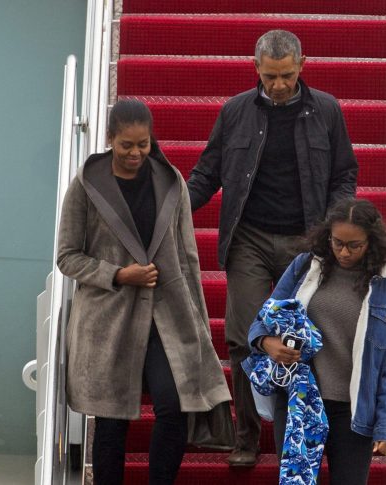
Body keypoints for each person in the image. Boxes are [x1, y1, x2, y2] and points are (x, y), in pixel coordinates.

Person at [186, 29, 358, 466]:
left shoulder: (328, 111)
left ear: (302, 65)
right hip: (250, 239)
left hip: (308, 240)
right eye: (270, 77)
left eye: (285, 75)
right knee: (246, 336)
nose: (278, 84)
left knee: (305, 340)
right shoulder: (234, 113)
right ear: (256, 68)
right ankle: (246, 436)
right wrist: (172, 207)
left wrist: (332, 227)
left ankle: (302, 433)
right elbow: (207, 175)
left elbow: (344, 175)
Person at [57, 99, 232, 484]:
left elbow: (187, 258)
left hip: (165, 314)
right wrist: (119, 274)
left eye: (143, 144)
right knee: (112, 419)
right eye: (126, 146)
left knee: (174, 406)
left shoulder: (171, 183)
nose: (136, 153)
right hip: (108, 318)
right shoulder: (86, 185)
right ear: (109, 140)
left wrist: (198, 320)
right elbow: (67, 257)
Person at [249, 198, 386, 485]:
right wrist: (266, 343)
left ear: (371, 242)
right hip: (298, 398)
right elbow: (264, 318)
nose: (344, 252)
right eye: (337, 242)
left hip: (352, 410)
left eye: (354, 245)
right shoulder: (304, 267)